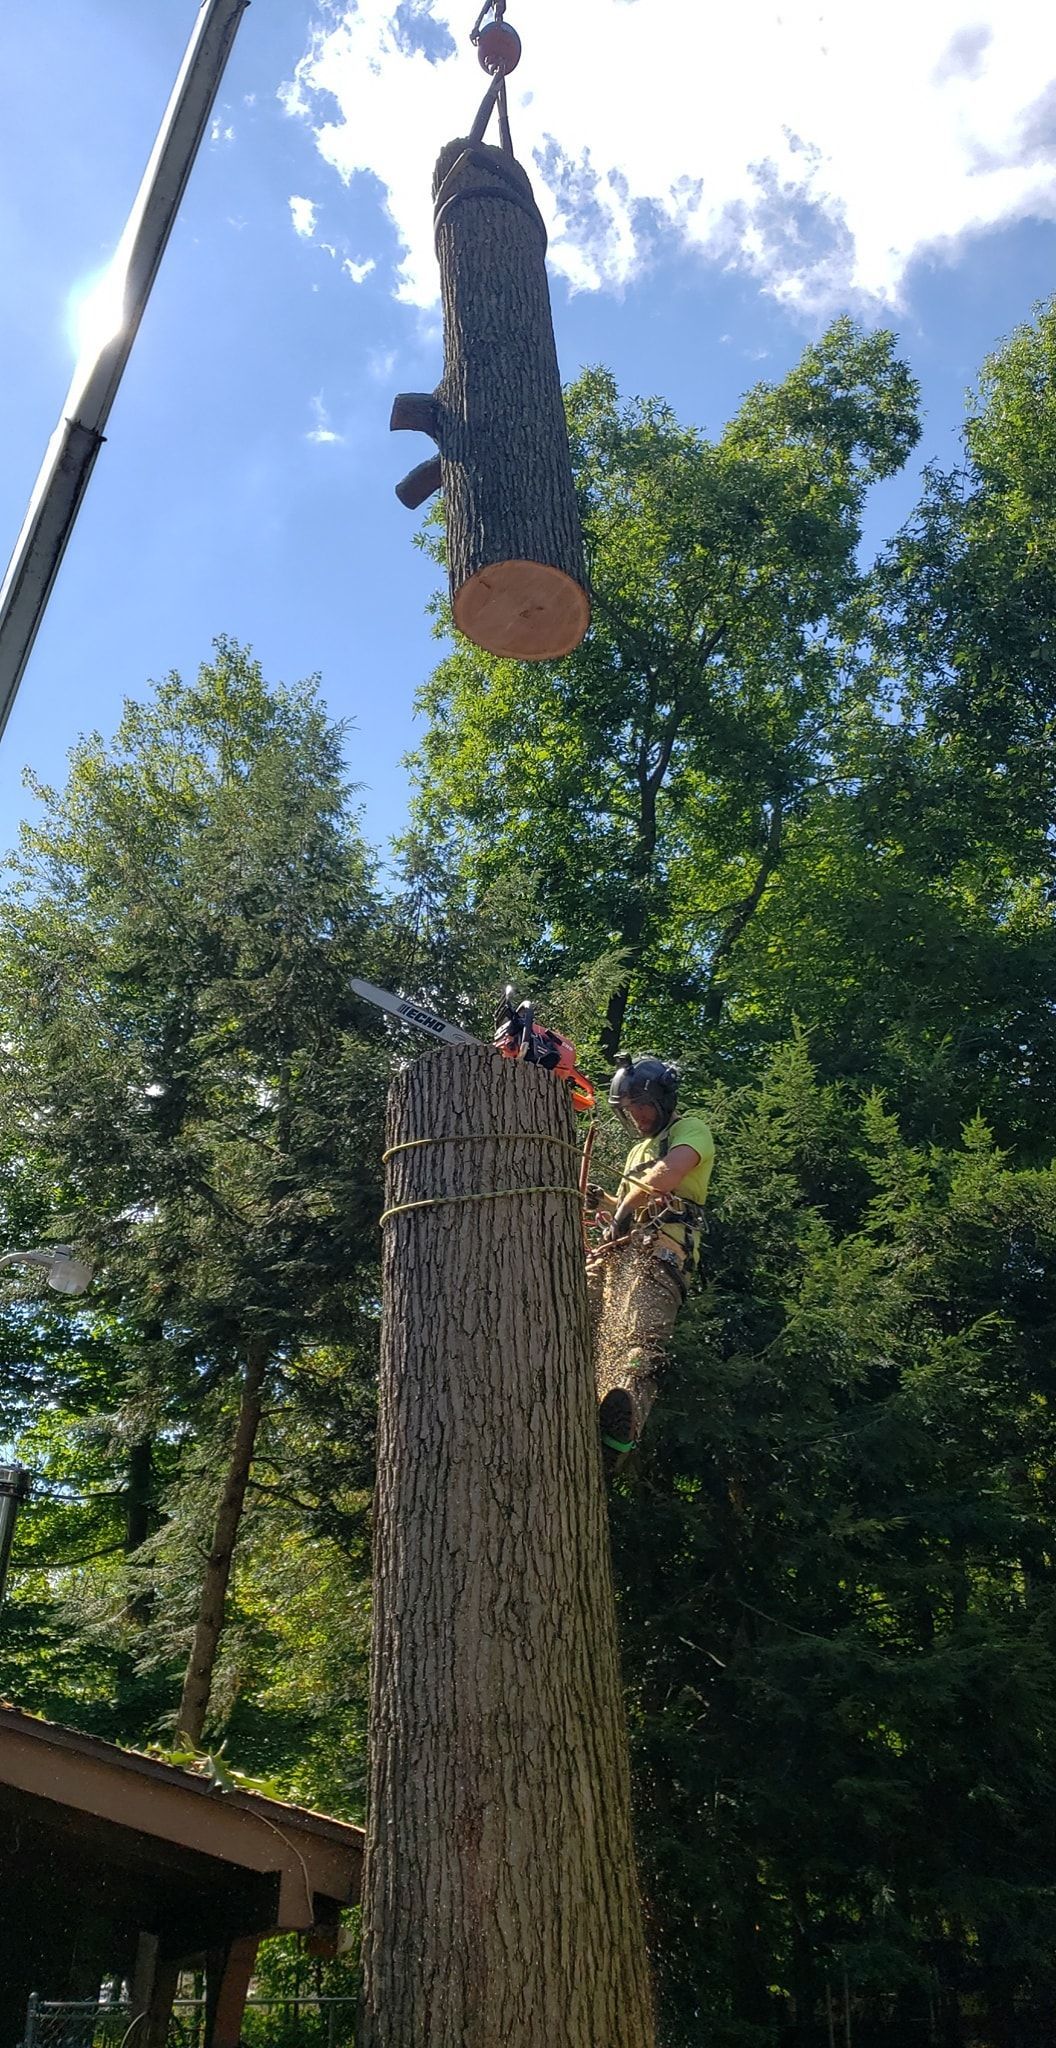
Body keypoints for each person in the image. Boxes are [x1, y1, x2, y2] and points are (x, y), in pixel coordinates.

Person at [588, 1054, 715, 1473]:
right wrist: (605, 1203)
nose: (637, 1115)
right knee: (573, 1316)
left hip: (662, 1254)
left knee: (641, 1342)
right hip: (619, 1255)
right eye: (629, 1108)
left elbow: (669, 1173)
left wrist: (622, 1206)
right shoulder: (637, 1150)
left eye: (641, 1105)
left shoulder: (691, 1131)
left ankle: (620, 1432)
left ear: (662, 1099)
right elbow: (629, 1205)